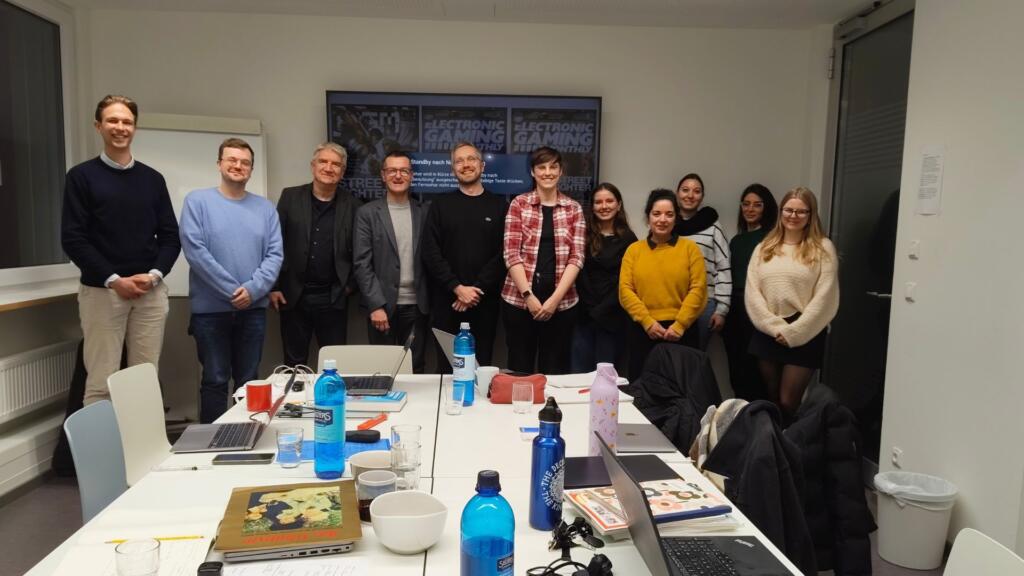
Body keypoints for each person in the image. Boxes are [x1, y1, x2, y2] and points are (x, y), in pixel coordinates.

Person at [61, 95, 180, 406]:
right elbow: (73, 239)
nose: (120, 127)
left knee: (144, 380)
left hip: (149, 294)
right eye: (112, 120)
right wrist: (114, 280)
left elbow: (171, 236)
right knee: (101, 382)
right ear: (98, 126)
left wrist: (154, 276)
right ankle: (103, 442)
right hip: (103, 293)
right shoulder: (81, 177)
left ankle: (141, 441)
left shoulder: (153, 180)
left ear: (135, 128)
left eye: (127, 121)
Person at [179, 138, 283, 423]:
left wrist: (252, 290)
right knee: (215, 379)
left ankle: (248, 436)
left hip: (253, 310)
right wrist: (233, 291)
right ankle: (213, 441)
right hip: (210, 313)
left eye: (245, 162)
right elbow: (195, 252)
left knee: (249, 381)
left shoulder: (265, 209)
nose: (238, 166)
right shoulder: (197, 202)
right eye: (232, 160)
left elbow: (275, 254)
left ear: (251, 169)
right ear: (219, 164)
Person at [745, 186, 839, 422]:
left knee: (788, 401)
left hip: (805, 330)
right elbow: (752, 293)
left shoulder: (822, 248)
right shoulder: (764, 247)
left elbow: (825, 297)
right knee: (770, 399)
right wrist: (774, 327)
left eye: (801, 211)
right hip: (768, 329)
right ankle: (772, 442)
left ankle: (792, 442)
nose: (793, 216)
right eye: (788, 210)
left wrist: (795, 332)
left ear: (810, 215)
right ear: (781, 212)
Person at [269, 142, 361, 368]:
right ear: (313, 166)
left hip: (333, 298)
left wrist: (349, 286)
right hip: (293, 296)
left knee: (334, 364)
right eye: (323, 162)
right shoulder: (290, 197)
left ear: (342, 171)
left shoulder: (354, 205)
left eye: (335, 164)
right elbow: (275, 242)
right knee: (294, 364)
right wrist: (274, 286)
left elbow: (361, 251)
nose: (328, 168)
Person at [421, 142, 508, 369]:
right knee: (447, 369)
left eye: (471, 159)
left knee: (481, 368)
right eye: (459, 161)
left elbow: (504, 253)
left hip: (484, 302)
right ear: (453, 170)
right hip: (447, 303)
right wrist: (457, 288)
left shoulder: (500, 206)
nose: (466, 164)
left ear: (482, 165)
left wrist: (476, 289)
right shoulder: (440, 205)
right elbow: (430, 251)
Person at [501, 146, 585, 374]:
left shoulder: (574, 209)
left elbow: (577, 257)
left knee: (555, 372)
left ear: (561, 171)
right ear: (533, 172)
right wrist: (528, 296)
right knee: (520, 370)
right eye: (542, 167)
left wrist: (554, 300)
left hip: (562, 304)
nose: (547, 172)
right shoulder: (519, 204)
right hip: (519, 302)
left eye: (553, 167)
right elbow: (511, 253)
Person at [353, 150, 429, 373]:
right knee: (382, 368)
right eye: (392, 170)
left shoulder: (425, 212)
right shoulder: (367, 213)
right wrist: (375, 305)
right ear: (383, 175)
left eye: (404, 171)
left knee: (415, 368)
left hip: (417, 307)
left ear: (411, 176)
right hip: (382, 306)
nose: (398, 175)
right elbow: (362, 263)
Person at [619, 189, 707, 379]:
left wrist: (680, 325)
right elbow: (625, 291)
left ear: (676, 218)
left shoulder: (690, 249)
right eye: (656, 214)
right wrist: (647, 322)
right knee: (643, 387)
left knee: (681, 387)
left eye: (669, 214)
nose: (662, 219)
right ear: (648, 217)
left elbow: (698, 289)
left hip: (682, 331)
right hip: (643, 330)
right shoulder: (634, 251)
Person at [570, 183, 636, 373]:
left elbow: (626, 280)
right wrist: (592, 308)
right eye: (598, 202)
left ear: (619, 204)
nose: (604, 206)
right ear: (592, 206)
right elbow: (578, 271)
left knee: (607, 377)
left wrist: (603, 309)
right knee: (579, 374)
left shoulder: (629, 239)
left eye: (609, 201)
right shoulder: (583, 234)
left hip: (613, 316)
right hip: (584, 315)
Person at [723, 184, 779, 401]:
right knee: (736, 365)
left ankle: (761, 412)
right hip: (734, 308)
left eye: (757, 205)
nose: (750, 209)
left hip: (757, 308)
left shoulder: (772, 240)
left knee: (756, 366)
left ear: (766, 208)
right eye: (746, 204)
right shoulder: (736, 241)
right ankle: (740, 412)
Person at [674, 173, 731, 351]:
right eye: (685, 190)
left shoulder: (713, 226)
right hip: (672, 301)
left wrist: (722, 309)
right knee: (670, 355)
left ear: (702, 197)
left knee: (695, 356)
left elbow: (723, 267)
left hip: (704, 304)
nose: (690, 195)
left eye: (696, 191)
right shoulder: (666, 223)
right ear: (677, 193)